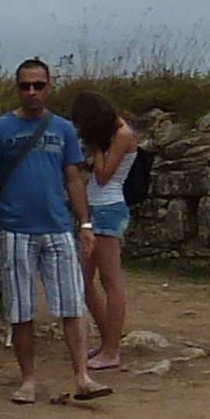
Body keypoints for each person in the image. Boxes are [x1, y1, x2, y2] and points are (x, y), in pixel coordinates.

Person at [0, 59, 104, 405]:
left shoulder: (61, 129)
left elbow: (73, 177)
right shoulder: (0, 129)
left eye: (38, 85)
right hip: (15, 227)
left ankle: (82, 376)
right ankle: (28, 379)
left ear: (49, 87)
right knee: (21, 307)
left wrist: (85, 224)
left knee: (73, 304)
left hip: (57, 226)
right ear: (17, 88)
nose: (32, 92)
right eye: (25, 85)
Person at [67, 89, 143, 373]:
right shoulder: (113, 133)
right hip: (97, 208)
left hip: (109, 208)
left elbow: (103, 174)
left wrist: (97, 148)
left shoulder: (121, 134)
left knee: (111, 281)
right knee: (83, 279)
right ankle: (105, 339)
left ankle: (112, 350)